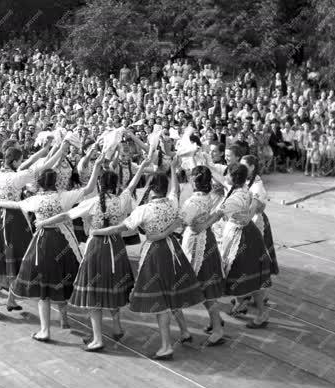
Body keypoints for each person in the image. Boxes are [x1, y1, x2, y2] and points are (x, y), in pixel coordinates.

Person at [39, 148, 154, 351]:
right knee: (114, 288)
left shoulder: (92, 202)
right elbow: (132, 185)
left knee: (94, 294)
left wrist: (45, 221)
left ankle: (98, 338)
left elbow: (66, 216)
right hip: (117, 247)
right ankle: (117, 328)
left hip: (96, 248)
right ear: (115, 185)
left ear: (100, 184)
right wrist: (142, 168)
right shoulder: (121, 200)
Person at [93, 161, 204, 360]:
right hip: (173, 250)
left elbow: (121, 228)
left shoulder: (145, 209)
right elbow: (174, 189)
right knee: (172, 292)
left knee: (160, 301)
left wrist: (97, 231)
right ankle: (185, 331)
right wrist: (172, 168)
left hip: (155, 254)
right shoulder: (172, 202)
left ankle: (166, 345)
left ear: (151, 188)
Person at [0, 158, 102, 343]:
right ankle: (68, 319)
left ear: (39, 183)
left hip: (42, 244)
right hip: (64, 242)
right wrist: (97, 167)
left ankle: (45, 330)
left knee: (44, 289)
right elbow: (89, 188)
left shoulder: (35, 199)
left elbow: (15, 205)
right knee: (66, 279)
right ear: (56, 181)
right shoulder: (64, 197)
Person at [0, 143, 64, 318]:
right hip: (14, 218)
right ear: (15, 161)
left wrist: (45, 150)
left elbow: (31, 162)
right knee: (16, 261)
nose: (21, 163)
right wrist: (61, 149)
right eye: (20, 160)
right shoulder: (18, 178)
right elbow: (44, 166)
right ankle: (10, 299)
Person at [215, 163, 272, 328]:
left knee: (243, 274)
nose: (225, 177)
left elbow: (216, 215)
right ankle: (242, 304)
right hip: (245, 234)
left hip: (240, 238)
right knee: (248, 275)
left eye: (227, 174)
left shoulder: (236, 197)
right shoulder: (245, 188)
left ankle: (261, 313)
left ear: (233, 177)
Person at [179, 166, 226, 346]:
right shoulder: (209, 196)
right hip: (206, 240)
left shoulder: (192, 202)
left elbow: (180, 223)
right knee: (207, 289)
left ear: (193, 181)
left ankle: (218, 328)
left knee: (206, 291)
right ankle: (216, 322)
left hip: (197, 244)